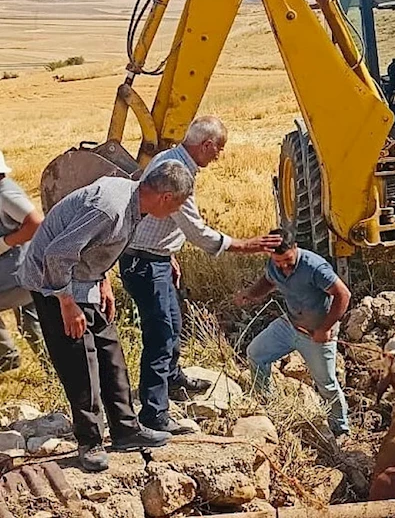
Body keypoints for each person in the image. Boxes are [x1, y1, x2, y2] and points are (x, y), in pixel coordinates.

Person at [17, 161, 195, 472]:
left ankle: (126, 429)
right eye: (179, 204)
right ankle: (90, 442)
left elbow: (97, 247)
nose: (177, 212)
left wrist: (103, 281)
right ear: (165, 197)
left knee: (110, 353)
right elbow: (56, 256)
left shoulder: (134, 204)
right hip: (53, 284)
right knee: (80, 362)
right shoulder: (109, 207)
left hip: (84, 280)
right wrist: (67, 304)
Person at [120, 116, 281, 436]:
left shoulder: (171, 160)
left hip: (157, 257)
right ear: (206, 145)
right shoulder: (176, 173)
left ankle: (172, 377)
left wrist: (170, 253)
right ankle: (154, 412)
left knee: (173, 323)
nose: (219, 156)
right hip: (144, 263)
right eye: (219, 149)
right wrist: (246, 245)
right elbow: (198, 232)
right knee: (160, 334)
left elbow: (164, 222)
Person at [234, 228, 352, 437]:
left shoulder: (314, 266)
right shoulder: (274, 264)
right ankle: (269, 406)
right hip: (289, 326)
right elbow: (269, 280)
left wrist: (325, 328)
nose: (284, 266)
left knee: (326, 384)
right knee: (256, 354)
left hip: (317, 335)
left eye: (288, 260)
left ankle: (340, 429)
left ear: (295, 248)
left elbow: (343, 294)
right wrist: (251, 295)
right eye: (279, 261)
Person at [0, 150, 45, 372]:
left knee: (31, 318)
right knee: (31, 320)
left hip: (17, 274)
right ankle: (53, 368)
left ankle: (7, 356)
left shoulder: (6, 194)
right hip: (25, 270)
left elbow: (37, 223)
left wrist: (6, 242)